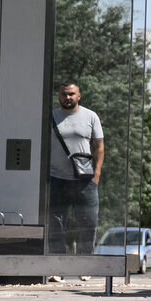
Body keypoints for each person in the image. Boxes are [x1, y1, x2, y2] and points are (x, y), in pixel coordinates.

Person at [48, 82, 102, 281]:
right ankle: (58, 269)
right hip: (57, 179)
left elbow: (99, 147)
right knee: (55, 225)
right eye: (64, 94)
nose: (67, 97)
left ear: (79, 96)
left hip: (84, 180)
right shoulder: (51, 117)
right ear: (59, 96)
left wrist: (96, 175)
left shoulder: (90, 116)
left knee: (88, 224)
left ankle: (85, 266)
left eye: (71, 94)